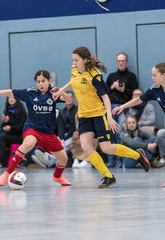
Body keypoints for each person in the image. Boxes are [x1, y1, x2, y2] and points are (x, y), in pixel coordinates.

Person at [52, 46, 150, 188]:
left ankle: (138, 156)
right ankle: (108, 176)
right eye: (73, 60)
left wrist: (109, 117)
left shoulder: (95, 76)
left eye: (76, 60)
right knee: (86, 146)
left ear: (85, 60)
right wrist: (60, 90)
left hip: (99, 114)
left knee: (106, 148)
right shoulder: (74, 70)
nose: (73, 63)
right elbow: (73, 81)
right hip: (84, 116)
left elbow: (106, 98)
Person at [0, 70, 71, 187]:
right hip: (32, 129)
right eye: (38, 82)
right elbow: (10, 92)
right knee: (29, 142)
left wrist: (61, 92)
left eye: (43, 81)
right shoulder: (30, 93)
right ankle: (7, 172)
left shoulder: (53, 94)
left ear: (49, 81)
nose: (41, 84)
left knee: (63, 158)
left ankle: (57, 177)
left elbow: (69, 100)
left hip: (48, 133)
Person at [0, 96, 26, 168]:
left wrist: (10, 126)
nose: (11, 99)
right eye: (9, 98)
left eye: (13, 98)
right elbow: (3, 126)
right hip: (9, 135)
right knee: (1, 135)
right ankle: (0, 161)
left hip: (19, 136)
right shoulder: (7, 111)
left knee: (2, 137)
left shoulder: (22, 112)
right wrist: (5, 123)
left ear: (17, 99)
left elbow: (22, 127)